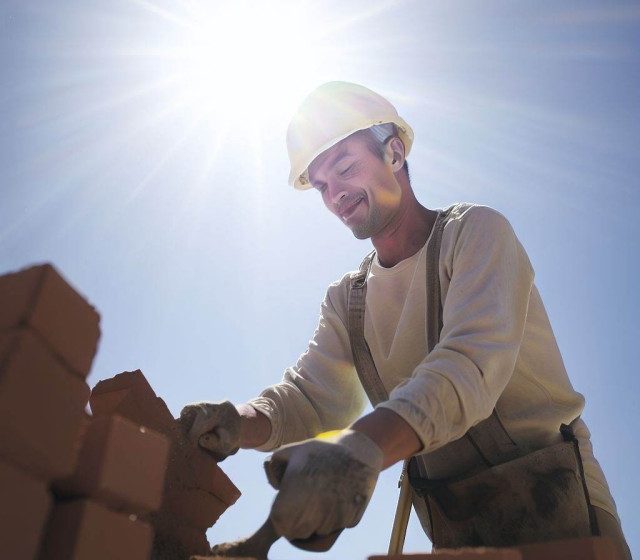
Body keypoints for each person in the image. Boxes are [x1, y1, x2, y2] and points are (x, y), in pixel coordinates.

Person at [180, 82, 631, 559]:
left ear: (394, 152)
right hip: (454, 527)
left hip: (559, 511)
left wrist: (358, 451)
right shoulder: (346, 299)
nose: (335, 196)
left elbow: (469, 369)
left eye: (345, 168)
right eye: (321, 187)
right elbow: (309, 399)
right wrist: (238, 421)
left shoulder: (475, 233)